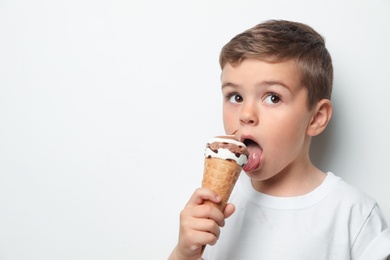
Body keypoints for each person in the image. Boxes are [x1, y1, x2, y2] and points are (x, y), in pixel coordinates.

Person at [168, 20, 390, 260]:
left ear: (316, 118)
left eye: (273, 97)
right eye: (235, 96)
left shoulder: (352, 213)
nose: (246, 115)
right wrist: (184, 253)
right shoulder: (214, 206)